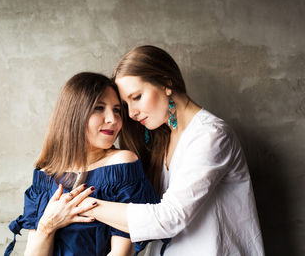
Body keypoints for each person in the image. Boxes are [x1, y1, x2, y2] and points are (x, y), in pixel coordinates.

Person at [76, 45, 265, 255]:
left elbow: (170, 217)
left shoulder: (211, 135)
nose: (132, 113)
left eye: (136, 97)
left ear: (167, 83)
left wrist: (78, 203)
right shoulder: (163, 137)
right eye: (126, 105)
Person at [4, 72, 160, 256]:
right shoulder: (46, 174)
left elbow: (122, 253)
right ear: (74, 114)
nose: (113, 119)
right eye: (99, 108)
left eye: (117, 110)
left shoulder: (122, 166)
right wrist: (47, 226)